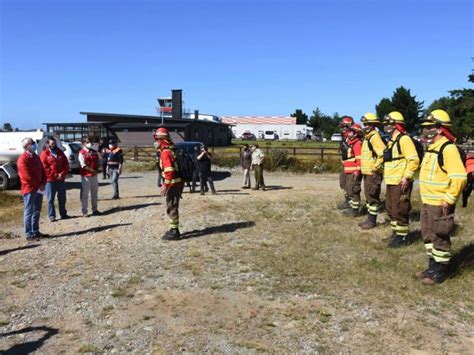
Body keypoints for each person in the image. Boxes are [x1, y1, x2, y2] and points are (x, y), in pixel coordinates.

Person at [416, 110, 467, 284]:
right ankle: (432, 266)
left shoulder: (448, 148)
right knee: (428, 235)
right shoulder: (432, 148)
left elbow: (459, 177)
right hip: (427, 200)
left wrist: (449, 199)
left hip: (440, 202)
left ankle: (441, 270)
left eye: (429, 127)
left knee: (440, 237)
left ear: (439, 129)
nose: (425, 130)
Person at [382, 111, 420, 248]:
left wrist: (407, 177)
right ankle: (396, 233)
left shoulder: (404, 140)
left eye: (390, 123)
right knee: (391, 208)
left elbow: (414, 160)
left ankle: (403, 237)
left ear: (397, 125)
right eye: (386, 123)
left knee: (400, 209)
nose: (387, 126)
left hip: (400, 181)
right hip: (391, 181)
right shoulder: (391, 141)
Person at [154, 127, 184, 240]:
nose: (155, 142)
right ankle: (173, 229)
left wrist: (165, 186)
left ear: (161, 140)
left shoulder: (165, 152)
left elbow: (169, 171)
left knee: (172, 206)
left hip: (173, 184)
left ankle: (174, 231)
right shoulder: (170, 149)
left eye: (156, 140)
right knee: (172, 205)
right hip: (176, 182)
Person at [17, 137, 48, 242]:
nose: (34, 144)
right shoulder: (22, 159)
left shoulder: (35, 156)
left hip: (39, 188)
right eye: (32, 143)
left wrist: (43, 182)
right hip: (29, 189)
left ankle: (35, 230)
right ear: (26, 146)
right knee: (29, 211)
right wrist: (38, 185)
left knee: (37, 211)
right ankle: (28, 234)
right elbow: (26, 176)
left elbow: (42, 170)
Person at [358, 113, 386, 229]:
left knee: (372, 196)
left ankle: (372, 221)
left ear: (373, 125)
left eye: (368, 124)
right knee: (369, 196)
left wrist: (375, 167)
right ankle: (370, 219)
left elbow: (382, 154)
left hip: (372, 173)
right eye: (364, 124)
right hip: (367, 172)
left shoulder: (374, 137)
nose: (365, 126)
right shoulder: (368, 137)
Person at [40, 136, 70, 222]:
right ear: (48, 144)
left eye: (55, 143)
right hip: (50, 180)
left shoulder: (60, 152)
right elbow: (45, 167)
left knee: (62, 198)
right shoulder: (44, 154)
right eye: (52, 143)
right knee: (50, 199)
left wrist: (62, 174)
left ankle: (63, 214)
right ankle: (52, 215)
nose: (54, 145)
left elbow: (66, 164)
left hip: (61, 179)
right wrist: (55, 175)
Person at [342, 124, 363, 217]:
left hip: (353, 172)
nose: (349, 133)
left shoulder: (357, 143)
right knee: (349, 190)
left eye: (351, 132)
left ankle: (355, 211)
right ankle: (352, 208)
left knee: (354, 191)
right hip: (348, 171)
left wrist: (357, 171)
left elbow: (359, 159)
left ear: (356, 134)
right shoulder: (350, 142)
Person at [79, 138, 101, 217]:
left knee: (94, 193)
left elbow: (98, 161)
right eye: (88, 142)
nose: (90, 144)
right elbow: (83, 165)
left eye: (90, 142)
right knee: (85, 194)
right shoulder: (82, 153)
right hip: (86, 176)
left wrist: (97, 169)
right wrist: (92, 171)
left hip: (94, 176)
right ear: (84, 143)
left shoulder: (94, 152)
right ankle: (84, 211)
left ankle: (95, 210)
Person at [337, 116, 355, 209]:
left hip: (352, 166)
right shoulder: (343, 138)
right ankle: (347, 200)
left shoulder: (354, 138)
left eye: (344, 127)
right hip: (345, 164)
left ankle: (353, 205)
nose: (342, 129)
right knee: (343, 183)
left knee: (351, 186)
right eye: (341, 127)